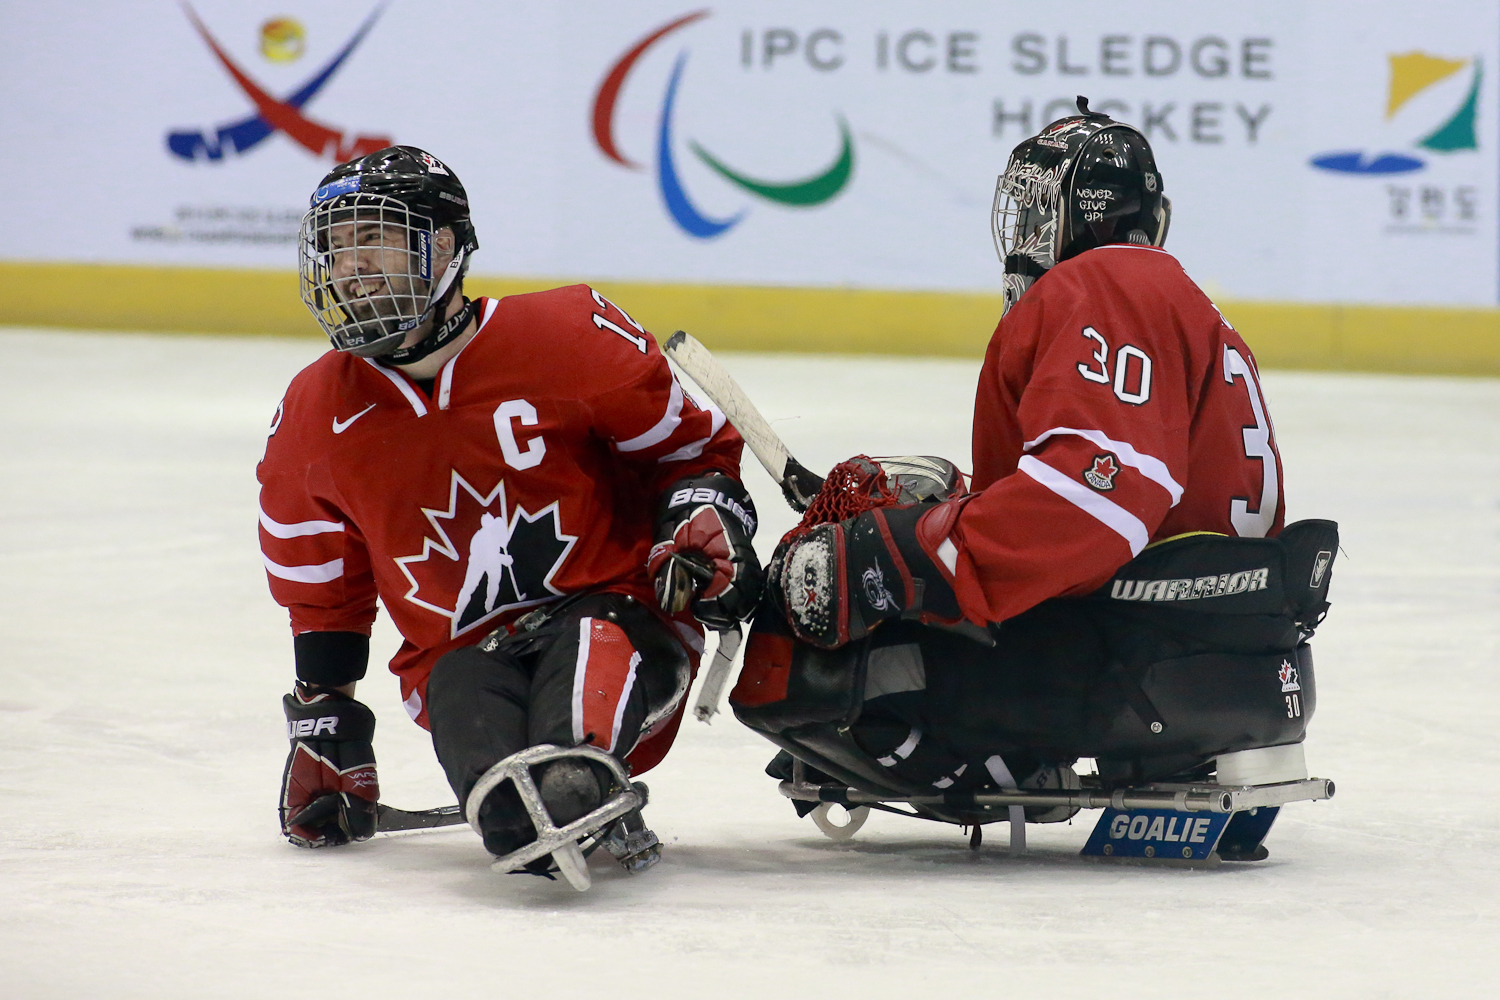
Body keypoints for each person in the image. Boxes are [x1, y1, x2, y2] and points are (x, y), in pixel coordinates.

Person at [733, 99, 1336, 822]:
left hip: (1136, 661)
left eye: (1036, 212)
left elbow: (1099, 496)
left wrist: (903, 553)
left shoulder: (1103, 286)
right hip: (1231, 650)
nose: (1023, 235)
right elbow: (1135, 493)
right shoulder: (1173, 298)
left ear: (1086, 217)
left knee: (799, 667)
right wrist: (950, 505)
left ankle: (1007, 769)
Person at [258, 145, 762, 887]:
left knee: (575, 743)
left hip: (620, 616)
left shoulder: (567, 336)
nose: (350, 265)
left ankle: (584, 777)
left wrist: (702, 515)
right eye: (335, 247)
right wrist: (325, 724)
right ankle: (552, 799)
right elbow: (322, 591)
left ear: (444, 248)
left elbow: (689, 449)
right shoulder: (311, 414)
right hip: (462, 655)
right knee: (508, 811)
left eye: (375, 237)